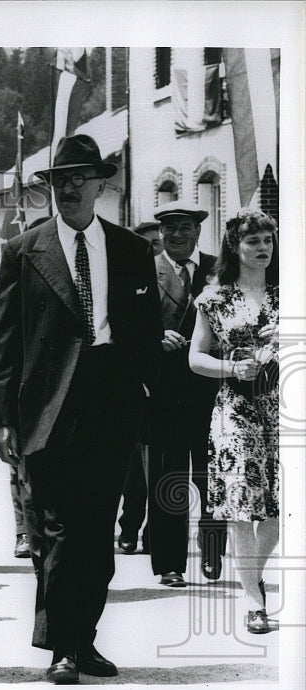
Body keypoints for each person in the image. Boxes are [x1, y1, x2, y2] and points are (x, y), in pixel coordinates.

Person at [0, 135, 162, 684]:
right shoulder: (23, 250)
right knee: (59, 528)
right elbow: (3, 343)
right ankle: (64, 645)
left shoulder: (133, 250)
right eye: (59, 180)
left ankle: (82, 641)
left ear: (100, 185)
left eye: (79, 179)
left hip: (111, 403)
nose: (68, 188)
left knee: (95, 532)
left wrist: (146, 402)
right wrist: (4, 419)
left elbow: (148, 335)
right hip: (47, 407)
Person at [189, 209, 279, 634]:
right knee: (242, 506)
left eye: (267, 240)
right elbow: (196, 358)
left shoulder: (290, 292)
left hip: (282, 408)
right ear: (235, 247)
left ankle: (250, 572)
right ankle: (253, 601)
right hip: (235, 410)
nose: (262, 248)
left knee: (284, 508)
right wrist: (230, 367)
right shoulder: (214, 299)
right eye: (253, 241)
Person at [144, 203, 221, 586]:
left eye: (185, 227)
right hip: (166, 393)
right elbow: (131, 322)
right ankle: (170, 563)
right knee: (168, 478)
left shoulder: (219, 269)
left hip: (212, 391)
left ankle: (211, 553)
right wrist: (154, 338)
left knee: (212, 476)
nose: (177, 235)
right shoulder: (146, 269)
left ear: (198, 232)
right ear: (160, 234)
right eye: (169, 228)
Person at [115, 221, 163, 556]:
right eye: (149, 244)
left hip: (161, 385)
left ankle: (149, 530)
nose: (155, 249)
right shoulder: (126, 281)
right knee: (132, 469)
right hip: (128, 385)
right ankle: (130, 526)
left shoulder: (175, 279)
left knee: (153, 468)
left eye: (157, 243)